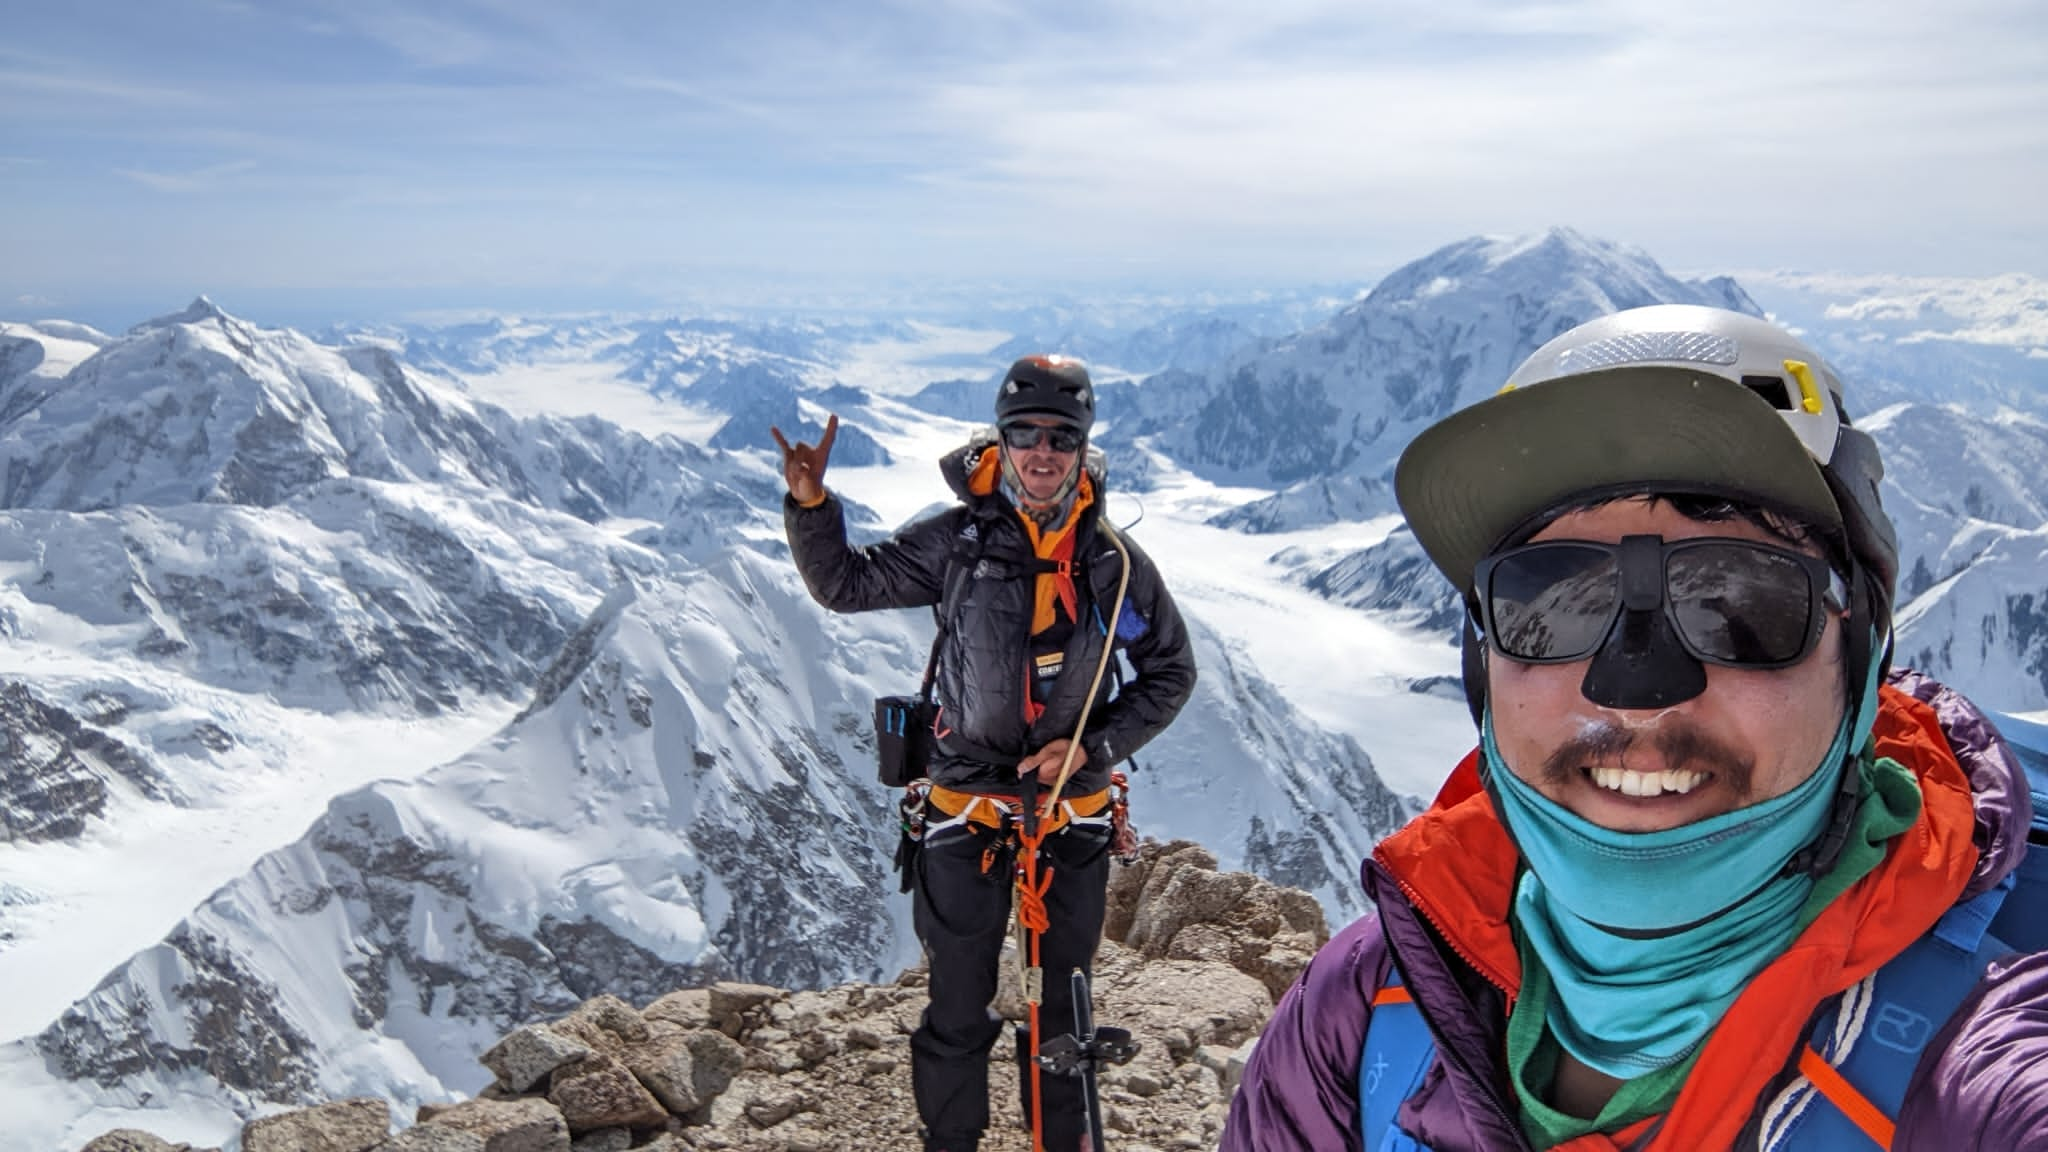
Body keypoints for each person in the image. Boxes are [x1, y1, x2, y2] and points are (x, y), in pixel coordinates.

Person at [1223, 305, 2048, 1150]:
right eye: (1551, 604)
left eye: (1741, 607)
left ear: (1862, 657)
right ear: (1483, 662)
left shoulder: (1990, 1043)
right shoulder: (1367, 1005)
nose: (1636, 695)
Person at [775, 354, 1197, 1152]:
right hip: (966, 799)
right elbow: (847, 585)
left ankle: (1058, 1143)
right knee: (958, 1001)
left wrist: (1091, 748)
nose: (1044, 453)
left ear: (1082, 448)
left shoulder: (1113, 566)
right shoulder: (959, 541)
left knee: (1063, 1005)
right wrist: (812, 505)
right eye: (1028, 434)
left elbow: (1171, 671)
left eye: (1061, 437)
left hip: (1066, 807)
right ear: (1001, 442)